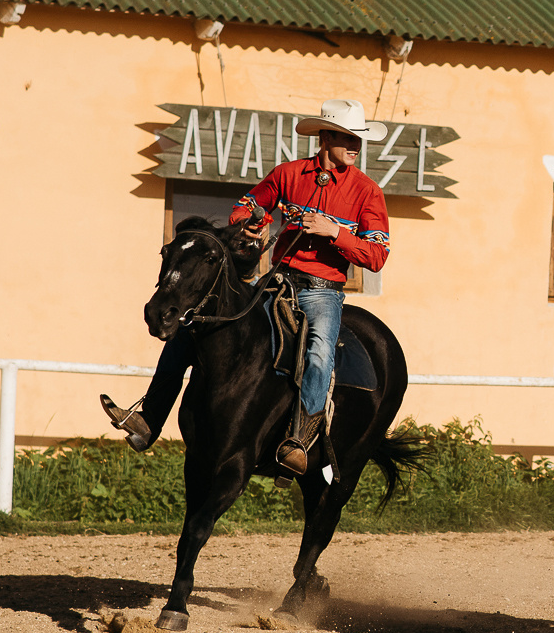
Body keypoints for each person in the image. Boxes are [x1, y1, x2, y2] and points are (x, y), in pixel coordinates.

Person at [101, 98, 390, 474]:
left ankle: (300, 440)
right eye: (347, 137)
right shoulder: (289, 174)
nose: (355, 146)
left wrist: (334, 231)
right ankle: (149, 419)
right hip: (277, 282)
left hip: (323, 290)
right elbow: (249, 204)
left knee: (319, 352)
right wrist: (250, 223)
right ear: (324, 138)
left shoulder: (367, 192)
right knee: (192, 329)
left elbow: (378, 255)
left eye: (358, 139)